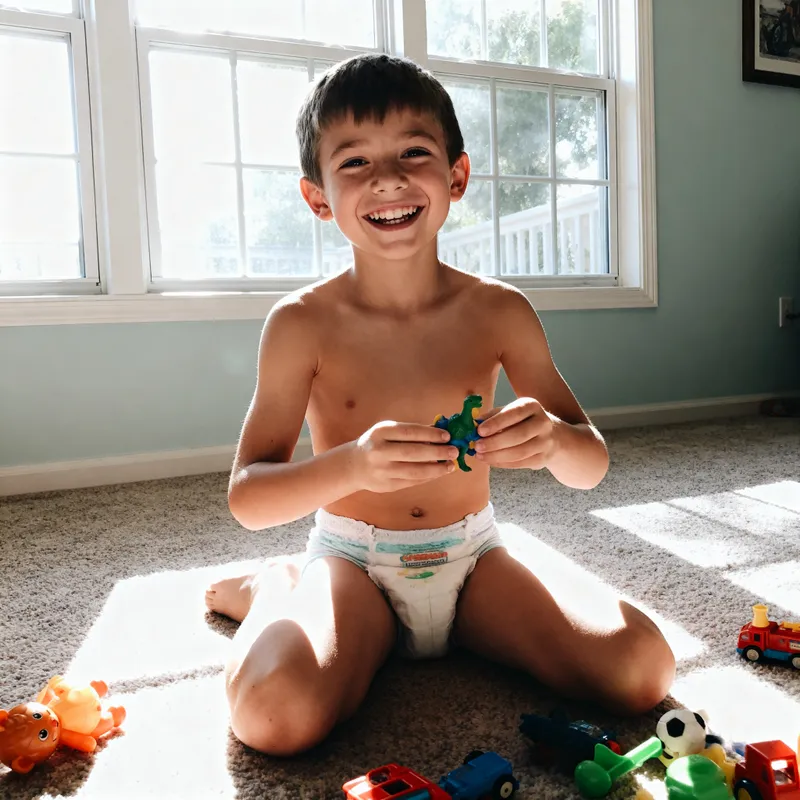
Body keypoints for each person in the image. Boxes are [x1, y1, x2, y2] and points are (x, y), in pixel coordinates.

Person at [205, 53, 675, 756]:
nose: (388, 178)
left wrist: (551, 442)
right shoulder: (300, 323)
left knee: (645, 670)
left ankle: (436, 611)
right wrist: (353, 465)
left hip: (474, 557)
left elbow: (591, 465)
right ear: (318, 198)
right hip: (353, 565)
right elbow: (249, 498)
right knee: (274, 717)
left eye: (413, 152)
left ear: (457, 175)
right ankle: (280, 584)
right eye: (355, 161)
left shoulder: (499, 311)